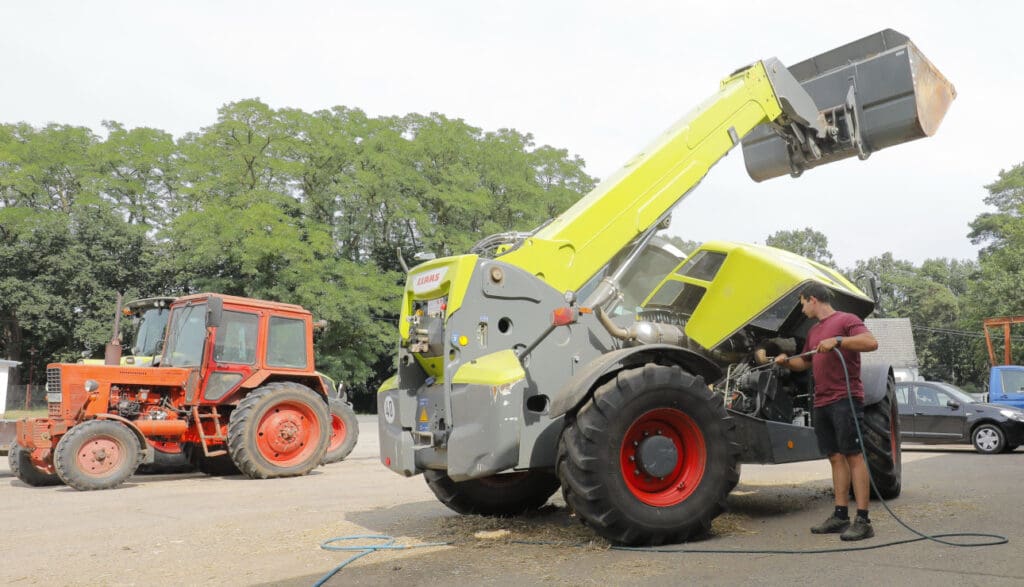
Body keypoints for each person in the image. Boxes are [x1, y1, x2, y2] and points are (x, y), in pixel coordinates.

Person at [775, 282, 879, 541]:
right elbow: (805, 361)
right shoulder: (814, 331)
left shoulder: (847, 320)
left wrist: (840, 340)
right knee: (834, 456)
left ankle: (864, 520)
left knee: (853, 455)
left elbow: (870, 342)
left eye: (802, 302)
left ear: (812, 299)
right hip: (822, 400)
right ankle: (840, 515)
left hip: (846, 397)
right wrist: (786, 361)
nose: (802, 308)